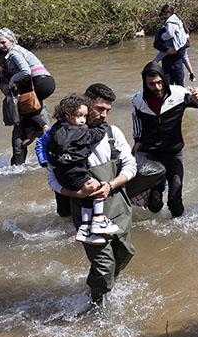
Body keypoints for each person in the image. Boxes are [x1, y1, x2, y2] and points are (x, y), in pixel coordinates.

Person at [46, 83, 137, 307]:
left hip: (118, 208)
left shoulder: (112, 133)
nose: (103, 114)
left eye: (107, 110)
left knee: (124, 255)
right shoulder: (62, 135)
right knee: (104, 266)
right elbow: (52, 179)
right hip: (86, 214)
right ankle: (97, 305)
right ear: (86, 104)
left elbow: (131, 165)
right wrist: (76, 192)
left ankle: (106, 288)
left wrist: (111, 184)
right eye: (99, 109)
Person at [132, 61, 198, 217]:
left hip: (174, 154)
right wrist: (137, 140)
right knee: (153, 205)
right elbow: (136, 120)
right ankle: (159, 185)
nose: (157, 87)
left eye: (159, 82)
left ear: (164, 80)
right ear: (145, 84)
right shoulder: (138, 100)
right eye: (152, 84)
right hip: (151, 156)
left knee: (175, 203)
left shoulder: (179, 94)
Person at [47, 93, 119, 243]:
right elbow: (95, 134)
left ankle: (85, 229)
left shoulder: (55, 130)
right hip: (74, 173)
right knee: (96, 187)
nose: (82, 120)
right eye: (79, 116)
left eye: (85, 117)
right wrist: (103, 125)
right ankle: (98, 220)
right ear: (67, 115)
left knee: (87, 195)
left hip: (62, 174)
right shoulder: (78, 131)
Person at [0, 27, 56, 133]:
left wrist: (12, 80)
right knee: (28, 107)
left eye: (3, 42)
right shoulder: (18, 50)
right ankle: (38, 128)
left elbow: (26, 71)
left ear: (11, 40)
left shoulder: (14, 52)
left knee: (23, 106)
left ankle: (42, 128)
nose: (1, 46)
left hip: (41, 82)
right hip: (45, 80)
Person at [0, 49, 49, 166]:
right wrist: (12, 81)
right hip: (19, 112)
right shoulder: (2, 74)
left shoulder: (24, 68)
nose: (3, 66)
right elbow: (5, 89)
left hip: (37, 108)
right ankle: (17, 172)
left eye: (5, 62)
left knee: (48, 139)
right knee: (18, 145)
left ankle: (52, 166)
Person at [153, 4, 196, 86]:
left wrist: (175, 49)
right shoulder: (160, 31)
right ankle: (148, 69)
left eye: (164, 17)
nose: (163, 20)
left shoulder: (177, 28)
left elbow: (187, 43)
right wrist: (167, 50)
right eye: (162, 18)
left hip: (178, 64)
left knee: (180, 87)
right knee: (168, 87)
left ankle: (192, 73)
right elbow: (155, 45)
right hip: (166, 64)